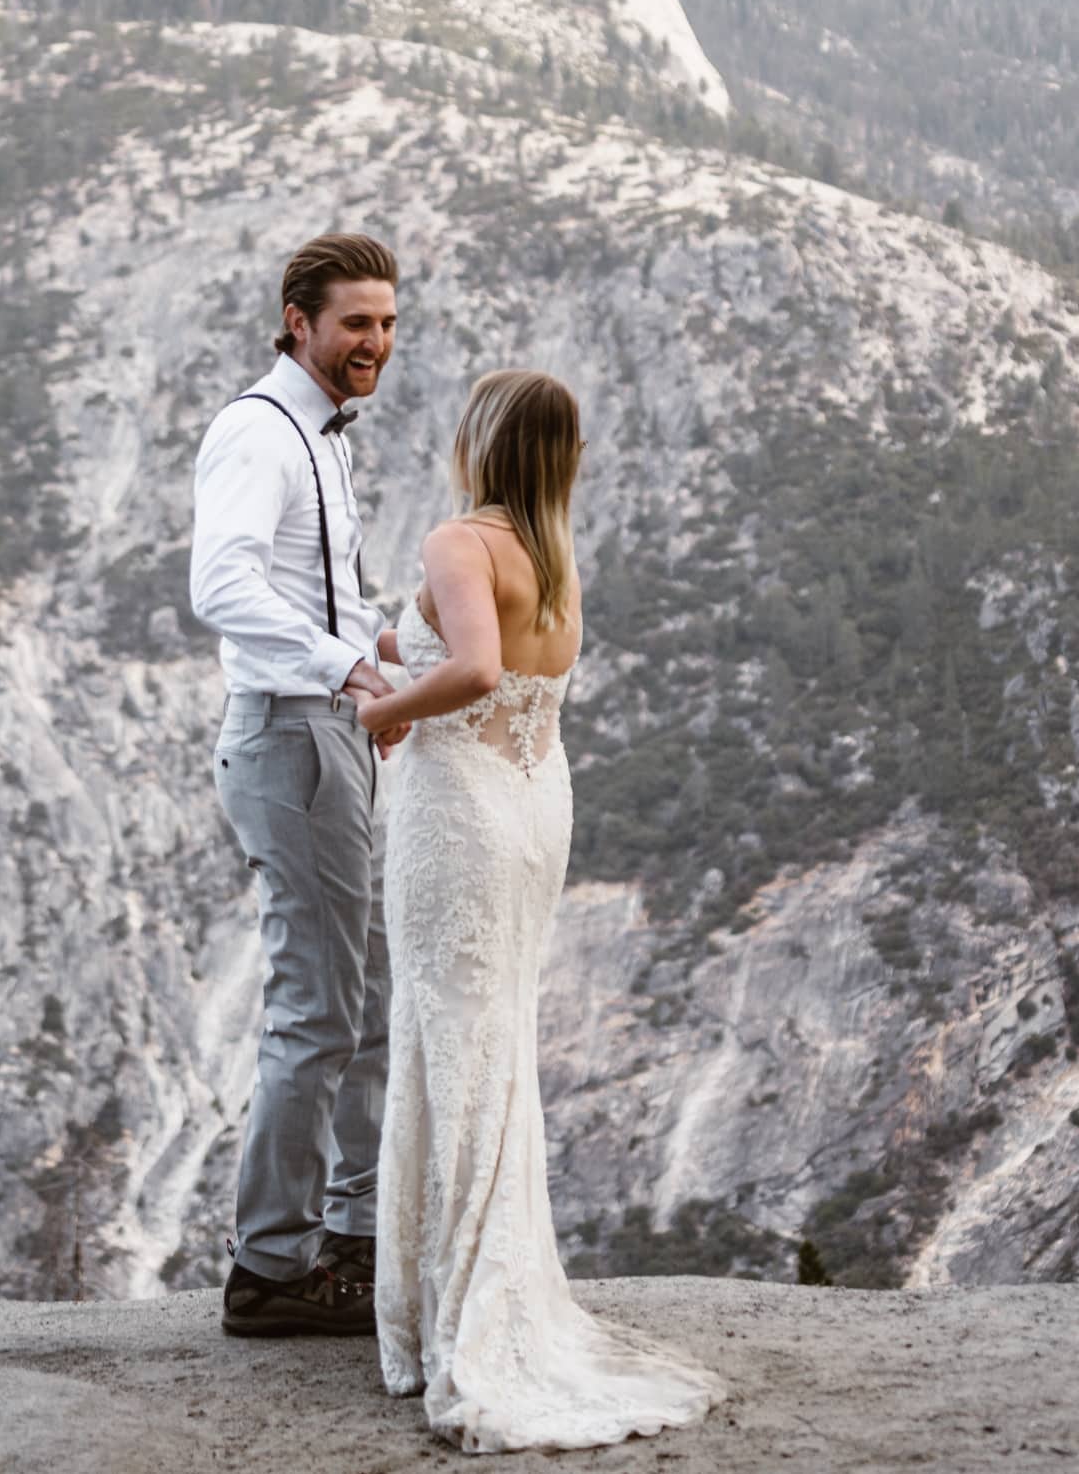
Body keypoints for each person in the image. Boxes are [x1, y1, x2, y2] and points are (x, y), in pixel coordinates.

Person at [354, 370, 726, 1451]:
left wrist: (384, 711)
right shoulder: (554, 562)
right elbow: (495, 665)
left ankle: (457, 1318)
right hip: (531, 806)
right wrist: (385, 665)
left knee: (448, 1041)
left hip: (460, 813)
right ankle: (473, 1293)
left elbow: (468, 671)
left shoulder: (458, 543)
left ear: (480, 439)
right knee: (492, 1042)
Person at [191, 232, 402, 1337]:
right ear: (299, 319)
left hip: (332, 730)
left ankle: (352, 1238)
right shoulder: (259, 432)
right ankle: (270, 1269)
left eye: (387, 323)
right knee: (316, 1011)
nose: (374, 342)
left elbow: (321, 591)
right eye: (355, 322)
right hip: (290, 737)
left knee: (361, 1000)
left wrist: (384, 646)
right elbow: (219, 582)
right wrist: (345, 665)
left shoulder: (323, 439)